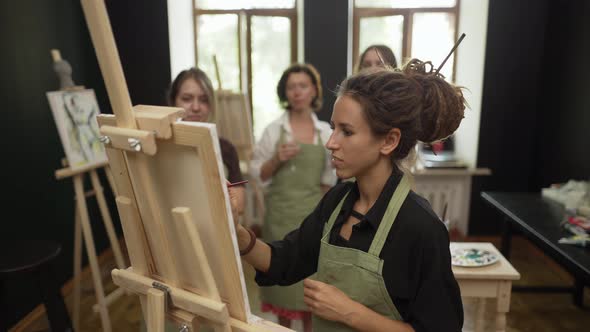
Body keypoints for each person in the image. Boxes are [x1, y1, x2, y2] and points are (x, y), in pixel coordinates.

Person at [232, 58, 465, 332]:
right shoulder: (338, 201)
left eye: (347, 131)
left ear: (389, 141)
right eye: (333, 128)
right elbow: (284, 262)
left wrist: (351, 313)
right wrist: (237, 233)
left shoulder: (421, 227)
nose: (331, 143)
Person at [248, 63, 337, 330]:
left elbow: (328, 181)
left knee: (310, 290)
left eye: (303, 85)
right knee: (283, 290)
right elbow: (258, 174)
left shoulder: (324, 132)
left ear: (313, 91)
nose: (297, 92)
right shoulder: (274, 130)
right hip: (279, 219)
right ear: (285, 93)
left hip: (312, 221)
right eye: (291, 87)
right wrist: (277, 158)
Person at [168, 68, 245, 215]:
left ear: (211, 105)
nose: (196, 107)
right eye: (187, 98)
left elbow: (239, 205)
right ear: (173, 101)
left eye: (204, 100)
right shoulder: (160, 146)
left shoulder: (225, 148)